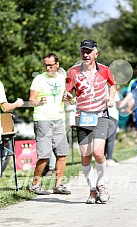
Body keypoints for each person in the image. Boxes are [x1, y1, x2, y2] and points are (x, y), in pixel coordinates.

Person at [64, 39, 116, 204]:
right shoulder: (73, 72)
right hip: (82, 116)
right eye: (83, 51)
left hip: (100, 115)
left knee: (98, 152)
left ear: (96, 53)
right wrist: (67, 96)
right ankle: (92, 190)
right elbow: (66, 93)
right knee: (85, 155)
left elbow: (113, 85)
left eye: (89, 51)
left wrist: (111, 97)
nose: (85, 55)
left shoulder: (105, 70)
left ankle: (101, 185)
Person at [29, 53, 71, 195]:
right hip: (43, 120)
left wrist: (67, 97)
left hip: (58, 120)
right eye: (46, 65)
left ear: (57, 64)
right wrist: (39, 102)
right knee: (45, 155)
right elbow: (31, 100)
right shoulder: (39, 79)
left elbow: (65, 98)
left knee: (62, 153)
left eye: (51, 65)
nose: (48, 68)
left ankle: (58, 185)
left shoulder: (61, 79)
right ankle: (35, 184)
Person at [105, 91, 120, 167]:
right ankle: (109, 159)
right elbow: (119, 104)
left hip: (102, 116)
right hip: (112, 116)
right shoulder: (112, 91)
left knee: (103, 138)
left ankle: (103, 158)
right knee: (111, 139)